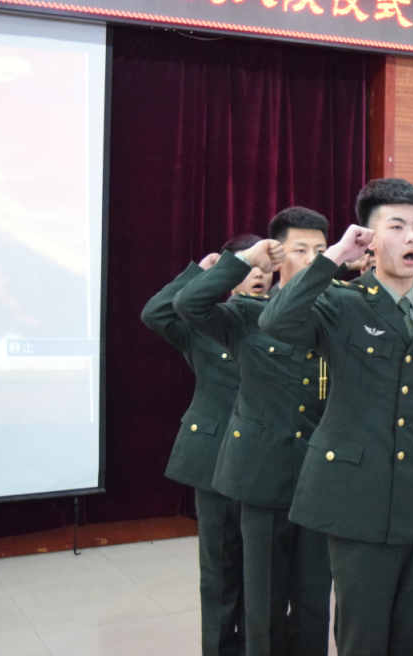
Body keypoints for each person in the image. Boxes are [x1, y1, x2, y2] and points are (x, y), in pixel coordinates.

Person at [258, 179, 413, 656]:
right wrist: (333, 257)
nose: (412, 237)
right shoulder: (340, 301)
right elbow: (275, 321)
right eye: (396, 226)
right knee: (363, 636)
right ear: (369, 239)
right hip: (358, 498)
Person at [174, 208, 332, 656]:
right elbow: (187, 305)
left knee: (314, 600)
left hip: (320, 477)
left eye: (321, 250)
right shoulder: (248, 313)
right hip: (262, 476)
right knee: (263, 601)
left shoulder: (338, 312)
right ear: (278, 256)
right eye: (300, 250)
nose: (312, 259)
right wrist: (242, 261)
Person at [142, 234, 265, 656]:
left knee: (262, 571)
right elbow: (155, 313)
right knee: (220, 569)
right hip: (214, 460)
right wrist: (203, 270)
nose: (258, 276)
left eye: (264, 268)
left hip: (264, 459)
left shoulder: (284, 321)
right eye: (247, 268)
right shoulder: (205, 322)